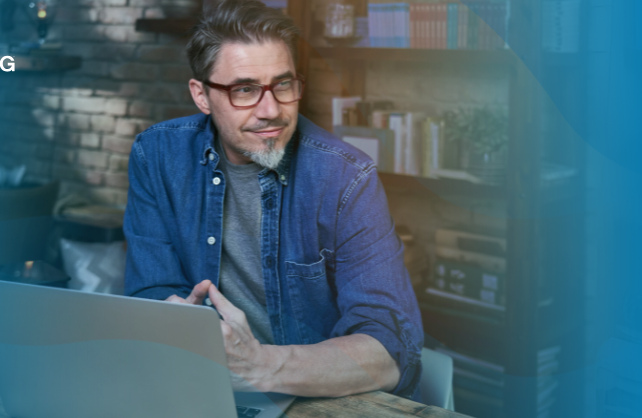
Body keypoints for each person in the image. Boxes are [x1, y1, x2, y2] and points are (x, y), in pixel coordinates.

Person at [123, 0, 423, 400]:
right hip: (202, 385)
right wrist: (175, 324)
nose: (272, 111)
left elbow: (390, 351)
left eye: (283, 85)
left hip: (319, 399)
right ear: (201, 95)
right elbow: (151, 292)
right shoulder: (157, 156)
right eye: (244, 90)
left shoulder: (347, 177)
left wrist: (260, 367)